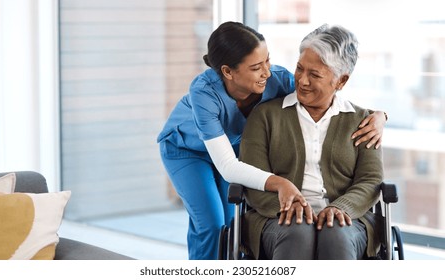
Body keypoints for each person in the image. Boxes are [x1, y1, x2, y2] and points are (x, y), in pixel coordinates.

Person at [157, 21, 387, 260]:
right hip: (188, 151)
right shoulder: (204, 93)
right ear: (228, 72)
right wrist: (281, 184)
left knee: (229, 225)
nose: (267, 72)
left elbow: (333, 101)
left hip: (232, 149)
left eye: (267, 61)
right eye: (257, 67)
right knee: (212, 224)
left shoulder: (277, 80)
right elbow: (228, 167)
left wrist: (379, 116)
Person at [240, 24, 384, 260]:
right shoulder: (266, 116)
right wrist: (287, 208)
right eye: (299, 69)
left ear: (341, 81)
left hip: (347, 220)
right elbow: (253, 176)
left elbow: (370, 180)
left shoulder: (364, 122)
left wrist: (341, 207)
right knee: (297, 229)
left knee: (335, 232)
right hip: (276, 218)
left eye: (315, 74)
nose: (302, 81)